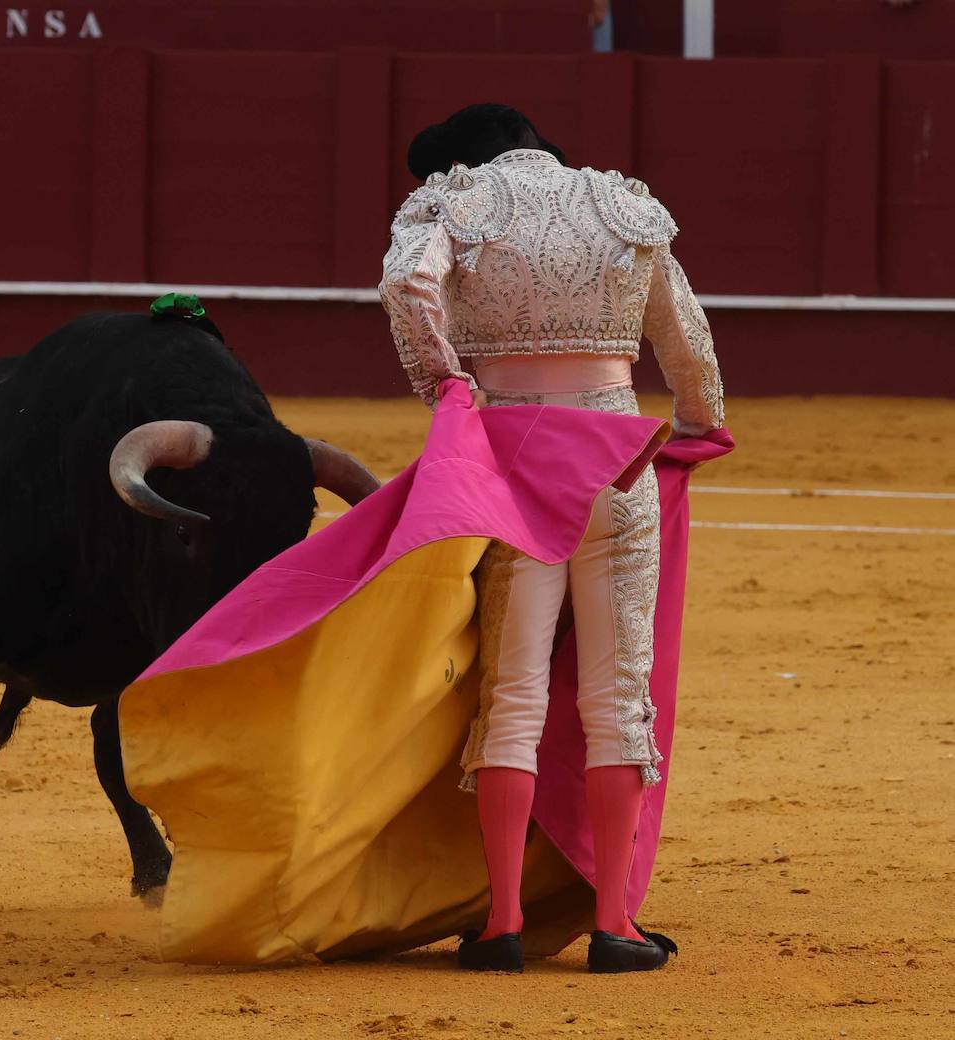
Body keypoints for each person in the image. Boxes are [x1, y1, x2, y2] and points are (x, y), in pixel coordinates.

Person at [379, 103, 725, 974]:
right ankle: (614, 924)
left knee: (514, 695)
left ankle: (501, 924)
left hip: (514, 460)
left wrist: (448, 388)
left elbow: (406, 288)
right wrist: (695, 423)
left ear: (461, 161)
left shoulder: (453, 204)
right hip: (615, 457)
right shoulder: (623, 205)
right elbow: (686, 337)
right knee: (617, 698)